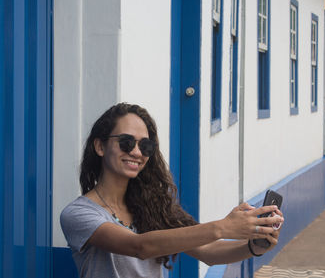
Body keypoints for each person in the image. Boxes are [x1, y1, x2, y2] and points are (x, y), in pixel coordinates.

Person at [60, 102, 284, 278]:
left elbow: (209, 252)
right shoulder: (79, 214)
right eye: (126, 142)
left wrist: (254, 246)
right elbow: (140, 246)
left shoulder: (151, 205)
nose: (137, 152)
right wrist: (223, 227)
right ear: (100, 146)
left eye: (145, 146)